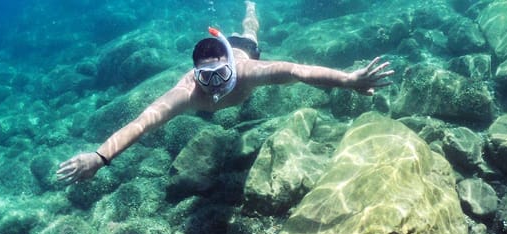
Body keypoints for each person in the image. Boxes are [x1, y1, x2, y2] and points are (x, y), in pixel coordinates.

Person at [56, 1, 393, 183]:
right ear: (195, 74)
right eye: (207, 76)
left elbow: (298, 71)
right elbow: (143, 123)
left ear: (231, 67)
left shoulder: (247, 72)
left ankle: (250, 5)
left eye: (221, 74)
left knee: (250, 29)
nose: (215, 84)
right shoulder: (186, 92)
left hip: (241, 48)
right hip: (225, 52)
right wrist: (100, 157)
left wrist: (348, 80)